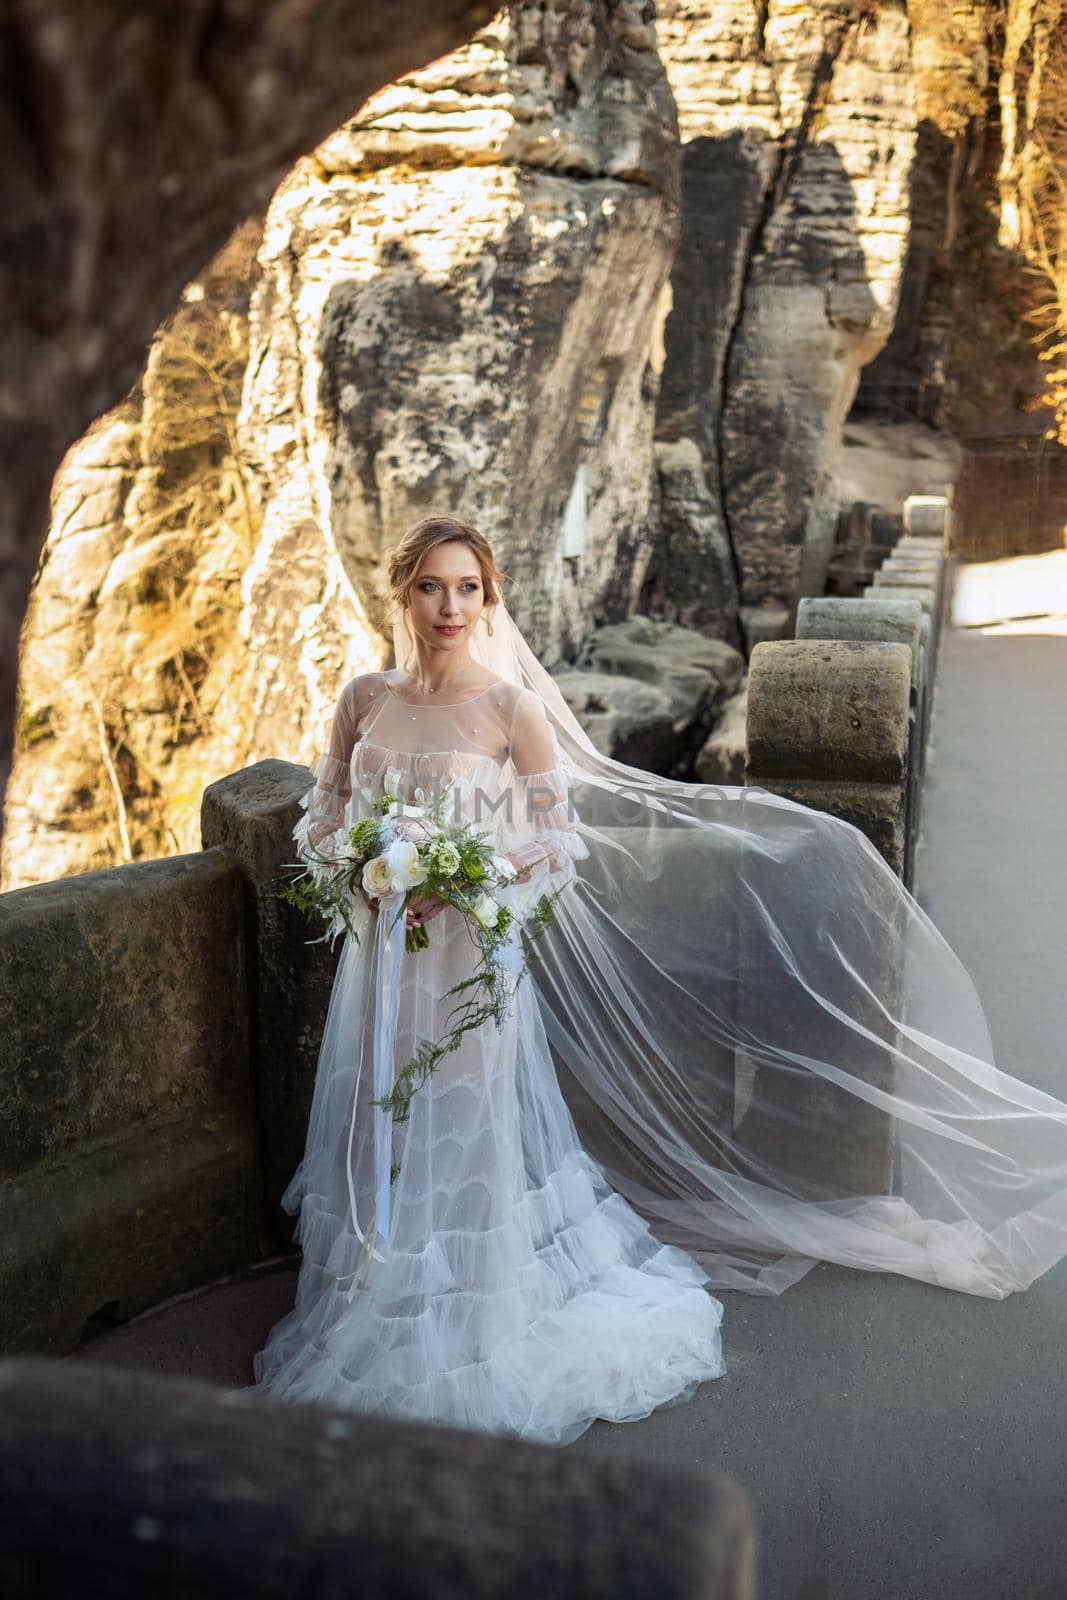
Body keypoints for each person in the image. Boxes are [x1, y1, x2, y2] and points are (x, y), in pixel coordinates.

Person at [251, 511, 1067, 1441]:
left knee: (464, 1126)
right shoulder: (363, 697)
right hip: (380, 957)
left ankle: (471, 1311)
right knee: (376, 1115)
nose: (450, 604)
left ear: (490, 598)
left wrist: (459, 881)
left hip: (470, 959)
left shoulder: (510, 709)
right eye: (432, 585)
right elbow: (320, 817)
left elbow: (556, 843)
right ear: (402, 591)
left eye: (469, 586)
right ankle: (377, 1293)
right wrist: (362, 865)